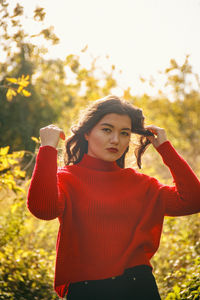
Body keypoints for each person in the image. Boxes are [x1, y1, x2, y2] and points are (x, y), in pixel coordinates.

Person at [27, 95, 200, 300]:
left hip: (139, 288)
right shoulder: (67, 179)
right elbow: (43, 210)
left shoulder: (142, 184)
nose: (116, 140)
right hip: (86, 291)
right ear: (87, 133)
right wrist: (47, 148)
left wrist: (165, 148)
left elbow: (193, 200)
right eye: (107, 129)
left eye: (124, 133)